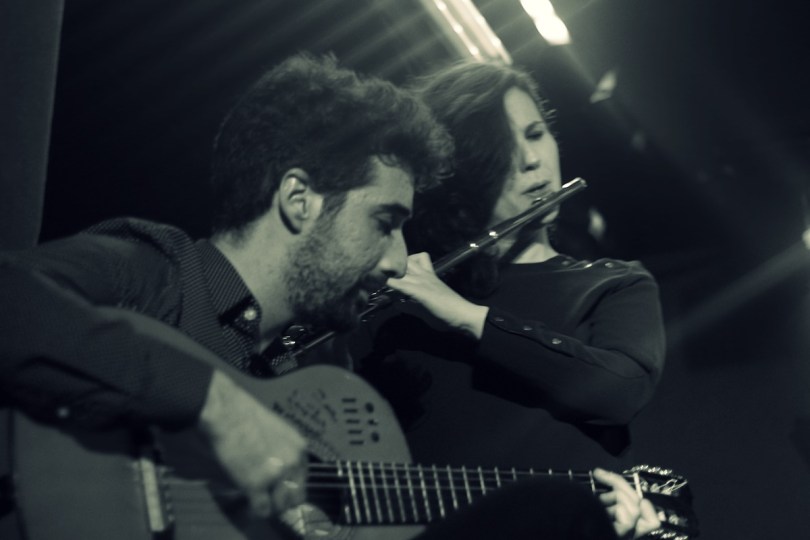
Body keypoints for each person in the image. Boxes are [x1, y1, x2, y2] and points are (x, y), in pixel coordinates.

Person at [0, 52, 452, 525]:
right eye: (384, 223)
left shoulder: (304, 381)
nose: (398, 261)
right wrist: (215, 403)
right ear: (299, 200)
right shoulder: (146, 276)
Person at [352, 59, 666, 538]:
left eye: (536, 134)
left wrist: (467, 316)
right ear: (461, 172)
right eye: (502, 149)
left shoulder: (614, 284)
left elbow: (618, 392)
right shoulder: (405, 292)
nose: (531, 160)